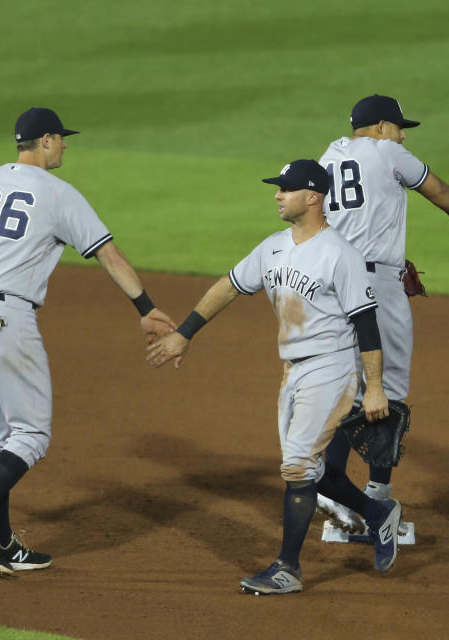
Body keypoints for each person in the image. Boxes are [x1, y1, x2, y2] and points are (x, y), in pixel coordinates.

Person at [0, 107, 177, 575]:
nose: (65, 145)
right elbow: (108, 253)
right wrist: (146, 309)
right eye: (61, 138)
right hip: (5, 319)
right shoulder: (58, 193)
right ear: (44, 140)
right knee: (31, 434)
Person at [147, 159, 403, 595]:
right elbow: (228, 286)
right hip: (293, 371)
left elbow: (366, 324)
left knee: (298, 467)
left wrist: (374, 386)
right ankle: (380, 515)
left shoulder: (341, 255)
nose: (277, 195)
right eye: (278, 188)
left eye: (285, 189)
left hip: (332, 367)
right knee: (312, 470)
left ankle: (288, 568)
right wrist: (184, 334)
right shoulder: (272, 247)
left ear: (313, 197)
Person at [314, 94, 449, 535]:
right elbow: (435, 187)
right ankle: (376, 502)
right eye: (399, 127)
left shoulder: (328, 156)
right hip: (376, 285)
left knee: (345, 385)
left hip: (331, 282)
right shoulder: (388, 151)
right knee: (387, 390)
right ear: (382, 126)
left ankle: (331, 491)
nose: (403, 135)